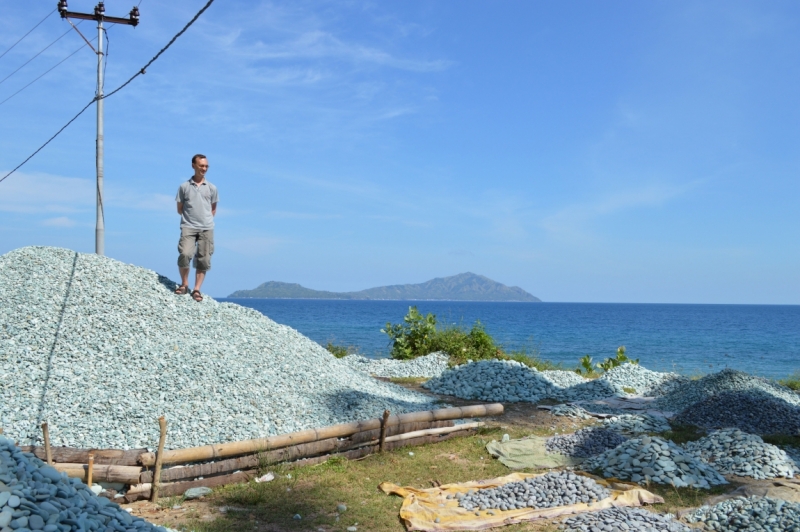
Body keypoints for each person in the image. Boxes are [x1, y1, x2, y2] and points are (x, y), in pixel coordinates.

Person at [175, 154, 218, 302]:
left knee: (204, 260)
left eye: (206, 166)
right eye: (201, 166)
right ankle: (184, 284)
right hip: (188, 226)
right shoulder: (184, 187)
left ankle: (197, 289)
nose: (204, 169)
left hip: (207, 228)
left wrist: (205, 220)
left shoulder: (212, 188)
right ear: (193, 165)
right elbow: (179, 209)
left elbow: (213, 209)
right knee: (185, 254)